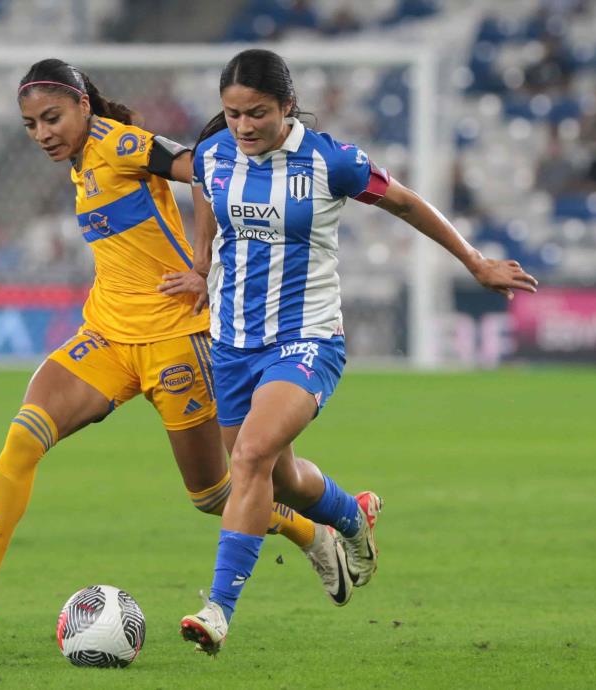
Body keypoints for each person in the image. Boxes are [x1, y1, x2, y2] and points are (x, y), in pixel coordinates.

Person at [0, 58, 353, 634]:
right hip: (106, 335)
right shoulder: (80, 160)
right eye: (31, 125)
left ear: (83, 105)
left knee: (212, 495)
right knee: (23, 437)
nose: (43, 134)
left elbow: (203, 166)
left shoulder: (121, 143)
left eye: (52, 118)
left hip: (176, 340)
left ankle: (310, 532)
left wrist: (202, 264)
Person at [162, 49, 539, 655]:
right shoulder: (213, 153)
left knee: (250, 458)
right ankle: (349, 516)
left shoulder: (329, 160)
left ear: (287, 105)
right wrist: (201, 263)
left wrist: (475, 261)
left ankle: (217, 611)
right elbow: (206, 191)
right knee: (279, 478)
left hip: (307, 338)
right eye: (232, 114)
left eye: (257, 113)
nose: (243, 126)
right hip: (231, 343)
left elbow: (405, 201)